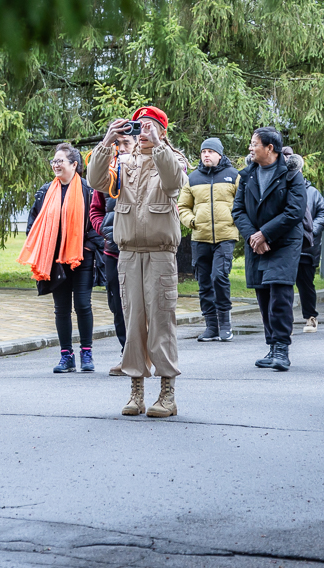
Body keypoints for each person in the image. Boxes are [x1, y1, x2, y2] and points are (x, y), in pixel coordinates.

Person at [87, 106, 189, 418]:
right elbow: (95, 180)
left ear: (162, 130)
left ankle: (167, 393)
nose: (142, 131)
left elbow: (174, 184)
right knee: (133, 324)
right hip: (129, 253)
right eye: (139, 125)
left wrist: (158, 144)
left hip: (160, 253)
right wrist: (108, 141)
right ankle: (136, 390)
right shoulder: (124, 160)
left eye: (149, 126)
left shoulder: (173, 159)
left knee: (161, 322)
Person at [20, 143, 101, 372]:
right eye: (54, 161)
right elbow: (33, 225)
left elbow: (96, 221)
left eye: (60, 161)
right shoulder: (46, 192)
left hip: (81, 258)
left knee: (83, 305)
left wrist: (86, 247)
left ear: (74, 164)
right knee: (61, 308)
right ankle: (66, 356)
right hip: (54, 259)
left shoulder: (88, 189)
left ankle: (87, 353)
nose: (56, 165)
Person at [232, 127, 306, 372]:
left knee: (279, 295)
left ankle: (282, 349)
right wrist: (255, 236)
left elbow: (295, 211)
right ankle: (272, 346)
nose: (251, 148)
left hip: (284, 242)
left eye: (254, 144)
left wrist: (266, 233)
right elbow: (238, 210)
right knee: (263, 295)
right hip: (256, 243)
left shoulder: (291, 174)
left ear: (270, 148)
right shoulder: (247, 175)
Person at [177, 138, 240, 342]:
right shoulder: (193, 178)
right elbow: (182, 206)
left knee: (219, 277)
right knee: (204, 283)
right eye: (203, 151)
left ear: (219, 155)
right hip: (200, 237)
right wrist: (192, 221)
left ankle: (226, 325)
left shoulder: (233, 176)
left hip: (225, 236)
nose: (206, 155)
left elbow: (243, 204)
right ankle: (211, 327)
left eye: (211, 151)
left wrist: (234, 222)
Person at [89, 133, 136, 375]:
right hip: (113, 250)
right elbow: (95, 210)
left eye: (127, 142)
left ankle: (142, 354)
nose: (122, 147)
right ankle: (125, 352)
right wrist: (106, 231)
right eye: (118, 143)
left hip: (138, 250)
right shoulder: (108, 174)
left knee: (139, 305)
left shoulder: (146, 170)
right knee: (117, 304)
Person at [282, 148, 324, 334]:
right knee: (283, 284)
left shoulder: (311, 192)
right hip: (285, 247)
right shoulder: (280, 188)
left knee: (305, 284)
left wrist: (312, 231)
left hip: (306, 248)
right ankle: (284, 320)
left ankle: (311, 316)